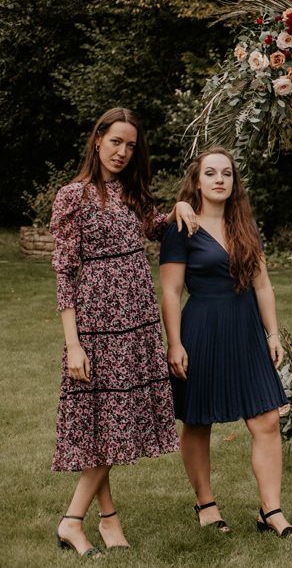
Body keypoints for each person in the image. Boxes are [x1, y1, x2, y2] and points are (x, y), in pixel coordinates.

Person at [50, 107, 197, 556]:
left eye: (131, 146)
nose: (122, 152)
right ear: (98, 140)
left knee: (110, 422)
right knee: (109, 422)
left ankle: (108, 516)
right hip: (98, 324)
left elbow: (156, 227)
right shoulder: (73, 196)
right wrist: (73, 344)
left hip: (138, 321)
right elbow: (63, 273)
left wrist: (180, 205)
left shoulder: (131, 193)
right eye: (116, 142)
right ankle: (72, 521)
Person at [159, 147, 292, 538]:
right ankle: (205, 503)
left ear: (234, 182)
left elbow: (263, 285)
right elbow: (170, 291)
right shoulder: (181, 227)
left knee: (267, 419)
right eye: (210, 173)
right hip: (200, 328)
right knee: (198, 420)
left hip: (246, 328)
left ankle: (270, 511)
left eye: (226, 173)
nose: (219, 179)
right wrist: (174, 343)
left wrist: (273, 334)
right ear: (198, 180)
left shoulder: (246, 227)